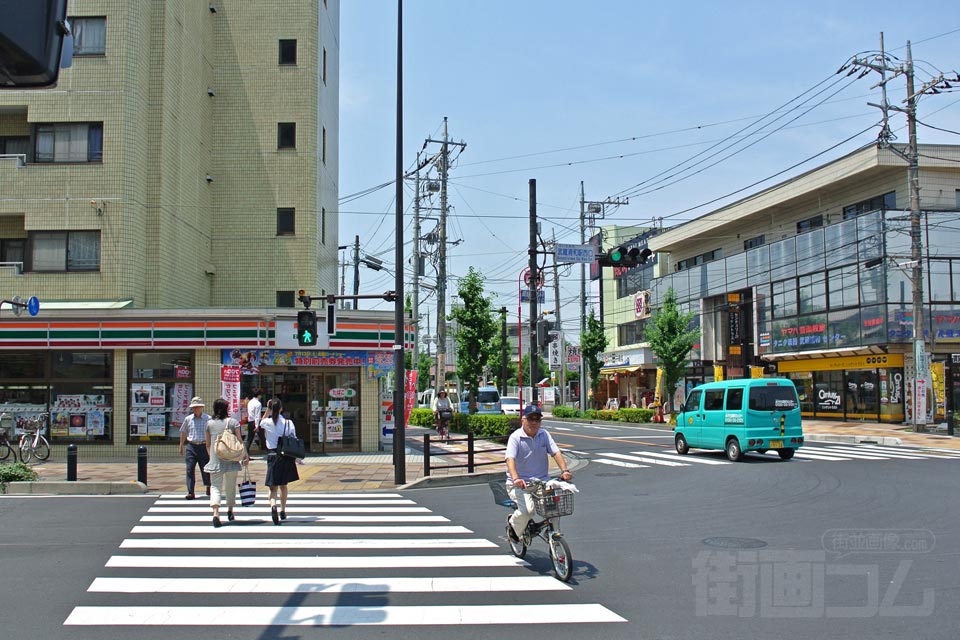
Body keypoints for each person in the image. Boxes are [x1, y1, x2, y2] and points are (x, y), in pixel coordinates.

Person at [504, 404, 572, 542]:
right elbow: (509, 459)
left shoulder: (544, 434)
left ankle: (553, 533)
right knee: (528, 511)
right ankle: (513, 527)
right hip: (519, 484)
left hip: (541, 482)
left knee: (554, 509)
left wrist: (565, 470)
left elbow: (556, 453)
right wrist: (516, 479)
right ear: (523, 420)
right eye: (530, 419)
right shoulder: (516, 437)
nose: (534, 423)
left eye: (537, 420)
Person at [203, 398, 249, 527]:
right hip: (232, 460)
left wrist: (212, 456)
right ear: (226, 408)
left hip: (215, 461)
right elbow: (240, 441)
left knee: (215, 487)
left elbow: (207, 444)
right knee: (230, 486)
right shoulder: (233, 422)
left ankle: (216, 513)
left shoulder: (209, 424)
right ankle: (230, 510)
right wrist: (245, 456)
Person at [260, 397, 299, 525]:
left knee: (272, 487)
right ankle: (283, 510)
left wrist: (267, 410)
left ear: (271, 409)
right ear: (281, 408)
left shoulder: (267, 422)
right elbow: (293, 437)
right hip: (286, 456)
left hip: (272, 455)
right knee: (284, 485)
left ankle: (273, 506)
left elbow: (260, 423)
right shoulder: (288, 423)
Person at [178, 396, 211, 500]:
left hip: (204, 445)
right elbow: (183, 431)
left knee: (205, 468)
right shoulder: (188, 419)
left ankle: (208, 485)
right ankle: (190, 491)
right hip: (191, 445)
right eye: (194, 407)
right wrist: (181, 445)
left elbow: (211, 433)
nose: (196, 409)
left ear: (202, 407)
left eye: (198, 407)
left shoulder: (208, 419)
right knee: (189, 469)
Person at [246, 388, 263, 454]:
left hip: (250, 421)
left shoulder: (250, 402)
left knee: (249, 438)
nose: (261, 396)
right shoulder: (258, 403)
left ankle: (246, 454)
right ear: (258, 395)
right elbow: (257, 415)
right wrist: (257, 425)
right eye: (261, 395)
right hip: (255, 422)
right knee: (263, 437)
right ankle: (269, 451)